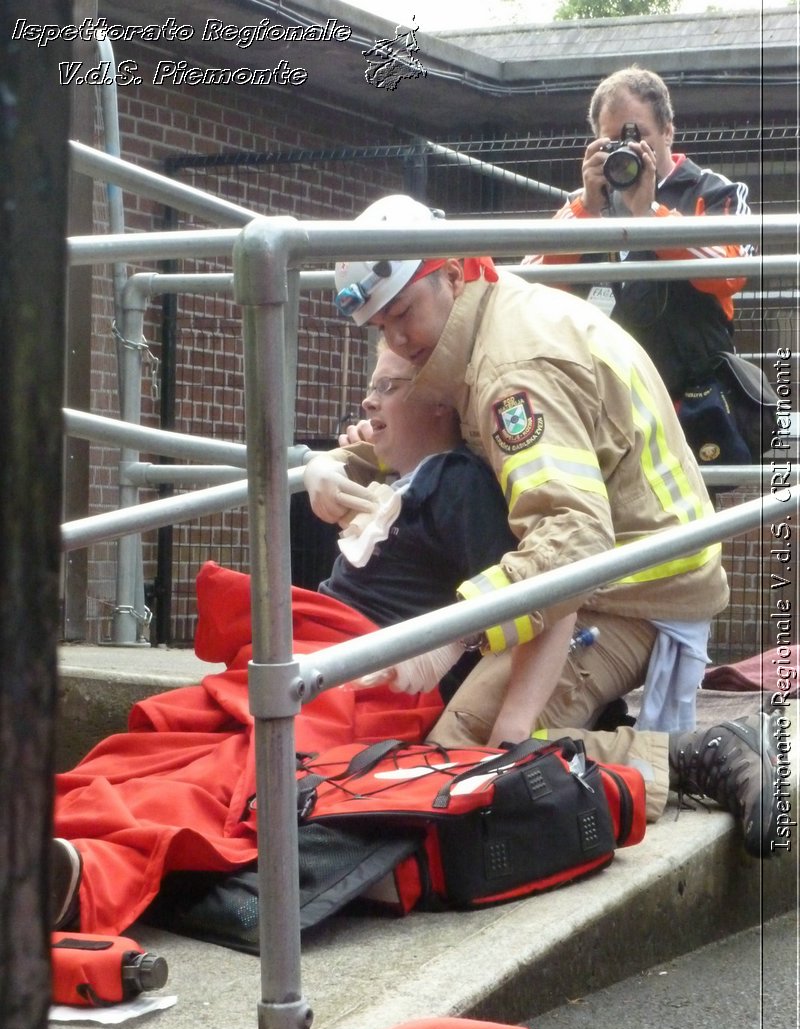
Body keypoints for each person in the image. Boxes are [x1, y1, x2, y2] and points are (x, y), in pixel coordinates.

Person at [316, 192, 778, 857]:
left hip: (631, 591)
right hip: (615, 568)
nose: (396, 341)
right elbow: (417, 412)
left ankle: (699, 753)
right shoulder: (485, 315)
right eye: (380, 327)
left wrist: (450, 637)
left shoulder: (512, 375)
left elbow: (570, 538)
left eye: (402, 316)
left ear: (449, 274)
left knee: (464, 752)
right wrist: (339, 462)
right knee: (480, 739)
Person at [50, 348, 518, 935]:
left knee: (227, 778)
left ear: (442, 407)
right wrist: (340, 460)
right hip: (312, 657)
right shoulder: (401, 477)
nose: (370, 400)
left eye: (392, 386)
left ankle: (87, 874)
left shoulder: (460, 481)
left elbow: (519, 598)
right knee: (145, 753)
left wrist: (462, 676)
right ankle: (55, 834)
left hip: (364, 681)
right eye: (369, 386)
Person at [522, 66, 752, 403]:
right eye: (613, 139)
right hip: (603, 398)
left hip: (693, 399)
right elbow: (531, 283)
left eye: (638, 135)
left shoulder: (714, 190)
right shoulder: (582, 203)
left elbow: (731, 272)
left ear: (668, 132)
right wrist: (586, 207)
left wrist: (651, 214)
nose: (627, 148)